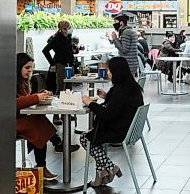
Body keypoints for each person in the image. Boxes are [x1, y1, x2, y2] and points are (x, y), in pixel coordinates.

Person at [80, 57, 144, 187]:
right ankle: (100, 177)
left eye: (109, 70)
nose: (107, 73)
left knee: (86, 138)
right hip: (131, 131)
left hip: (119, 132)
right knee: (95, 137)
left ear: (117, 72)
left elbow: (107, 114)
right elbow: (118, 106)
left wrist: (90, 103)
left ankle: (111, 167)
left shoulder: (120, 91)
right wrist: (107, 96)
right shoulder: (131, 87)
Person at [16, 53, 72, 181]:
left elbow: (23, 100)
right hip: (8, 122)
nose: (30, 71)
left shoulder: (22, 82)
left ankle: (47, 159)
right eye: (27, 67)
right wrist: (36, 97)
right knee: (37, 125)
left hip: (18, 120)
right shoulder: (10, 84)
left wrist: (38, 95)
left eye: (31, 68)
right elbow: (15, 103)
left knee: (38, 121)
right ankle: (56, 145)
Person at [42, 20, 74, 125]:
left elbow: (69, 51)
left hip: (69, 65)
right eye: (68, 27)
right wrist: (53, 63)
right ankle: (56, 115)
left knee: (69, 89)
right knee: (60, 89)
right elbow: (45, 50)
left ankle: (66, 111)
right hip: (60, 65)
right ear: (63, 29)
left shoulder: (67, 38)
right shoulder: (57, 39)